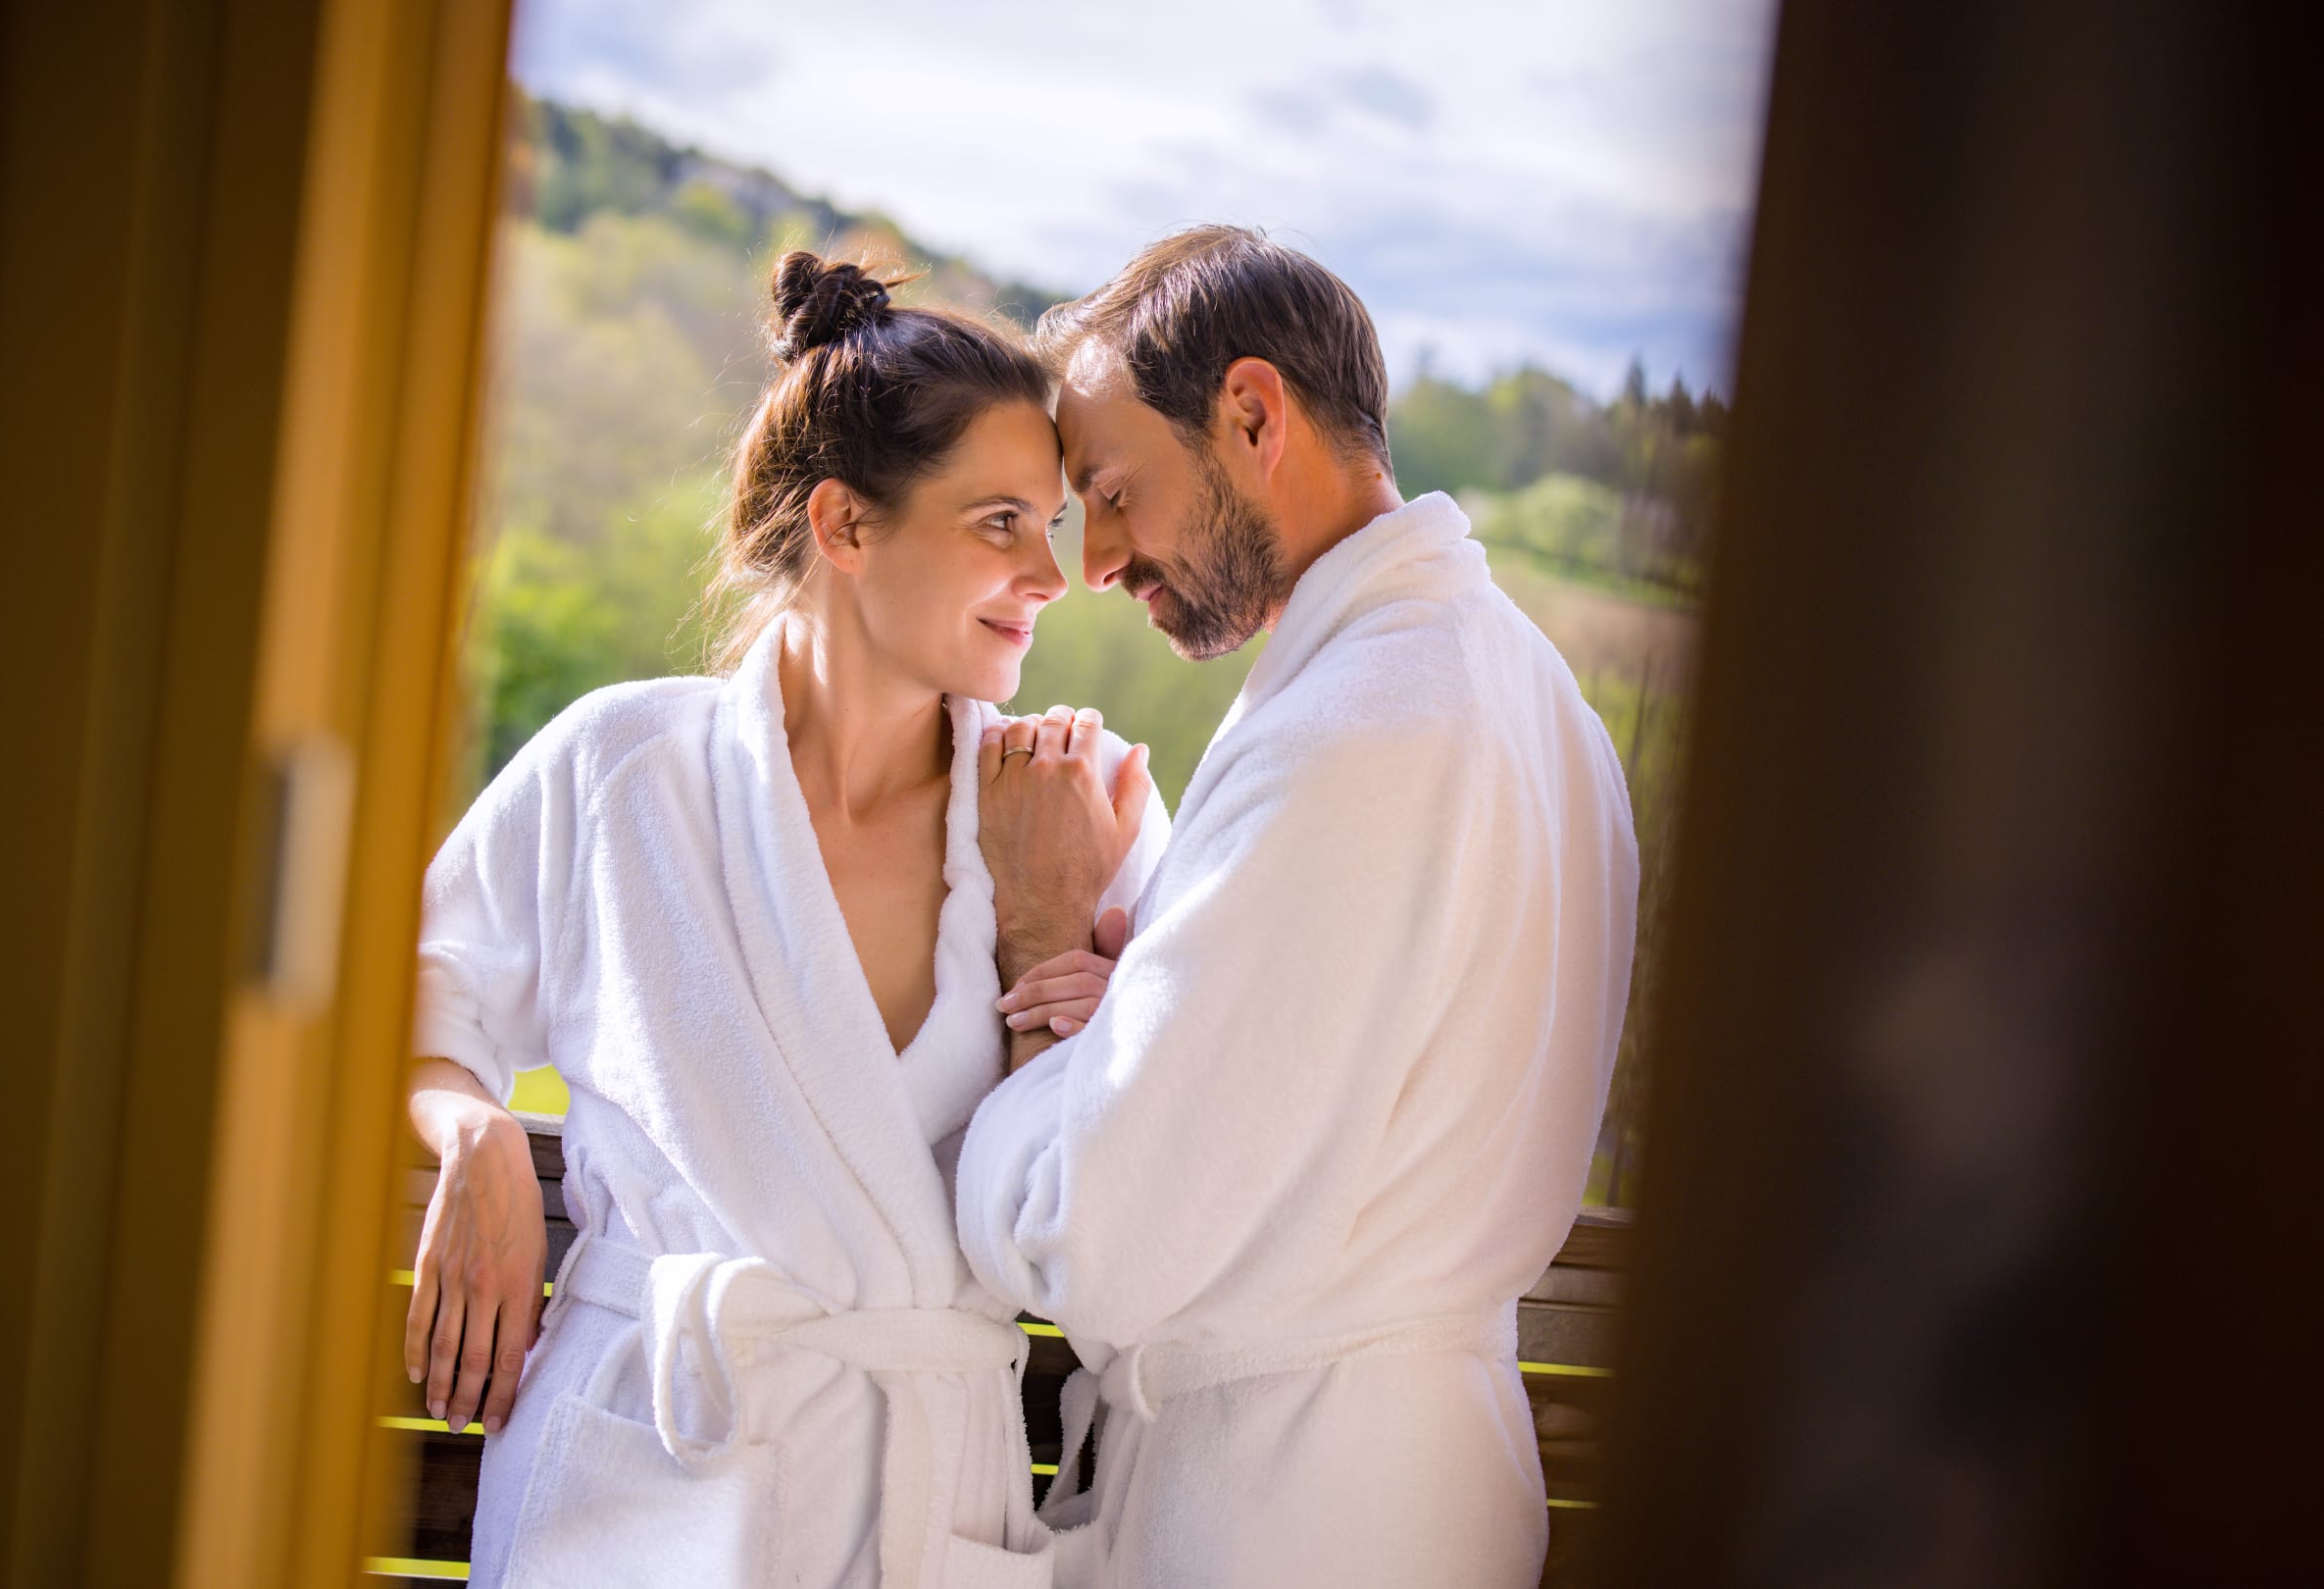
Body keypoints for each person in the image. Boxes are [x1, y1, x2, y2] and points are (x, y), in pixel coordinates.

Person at [402, 252, 1167, 1589]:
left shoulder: (1075, 800)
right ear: (844, 525)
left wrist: (1061, 944)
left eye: (1050, 526)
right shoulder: (622, 772)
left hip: (921, 1491)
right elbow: (408, 991)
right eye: (1000, 522)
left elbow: (1152, 1157)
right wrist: (474, 1133)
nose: (1050, 575)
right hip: (647, 1474)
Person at [957, 227, 1639, 1589]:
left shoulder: (1352, 736)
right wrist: (1134, 1026)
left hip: (1274, 1515)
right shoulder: (1540, 702)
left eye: (1113, 491)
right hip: (1414, 1483)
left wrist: (1040, 933)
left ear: (1253, 415)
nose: (1100, 562)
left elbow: (1098, 1244)